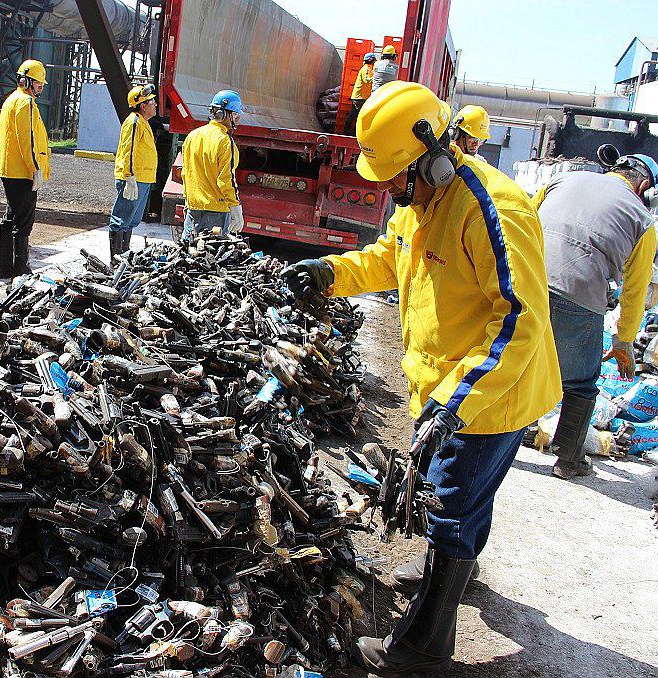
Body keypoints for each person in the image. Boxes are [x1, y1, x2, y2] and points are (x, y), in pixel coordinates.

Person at [282, 81, 560, 676]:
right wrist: (329, 272)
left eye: (394, 177)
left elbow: (521, 320)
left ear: (431, 157)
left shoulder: (493, 209)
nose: (386, 189)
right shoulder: (422, 201)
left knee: (451, 500)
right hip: (450, 386)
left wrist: (455, 401)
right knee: (463, 497)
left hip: (490, 394)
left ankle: (425, 647)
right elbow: (388, 257)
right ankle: (450, 570)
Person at [533, 154, 658, 479]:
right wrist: (623, 341)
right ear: (645, 186)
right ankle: (569, 459)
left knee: (517, 362)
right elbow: (635, 290)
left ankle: (485, 433)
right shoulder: (643, 220)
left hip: (526, 282)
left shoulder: (562, 181)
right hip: (578, 296)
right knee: (581, 384)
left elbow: (523, 220)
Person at [0, 59, 51, 280]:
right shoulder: (25, 102)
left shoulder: (12, 100)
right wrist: (35, 168)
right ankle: (21, 268)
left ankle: (4, 267)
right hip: (22, 172)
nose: (40, 87)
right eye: (38, 83)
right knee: (23, 222)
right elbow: (26, 139)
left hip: (10, 170)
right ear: (26, 81)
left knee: (10, 218)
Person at [180, 90, 244, 240]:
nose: (238, 120)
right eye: (235, 115)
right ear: (223, 115)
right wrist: (235, 207)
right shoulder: (225, 141)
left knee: (187, 257)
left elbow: (186, 174)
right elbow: (226, 179)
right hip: (216, 212)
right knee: (212, 259)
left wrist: (187, 203)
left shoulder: (192, 136)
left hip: (193, 209)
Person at [109, 84, 158, 258]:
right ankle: (116, 260)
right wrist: (129, 177)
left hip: (142, 179)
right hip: (133, 179)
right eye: (151, 101)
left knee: (130, 220)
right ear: (143, 105)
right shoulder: (135, 122)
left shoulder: (142, 123)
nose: (155, 104)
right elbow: (128, 150)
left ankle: (123, 255)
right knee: (121, 219)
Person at [346, 53, 376, 135]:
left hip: (361, 97)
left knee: (354, 115)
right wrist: (377, 78)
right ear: (371, 60)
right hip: (359, 97)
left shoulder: (369, 68)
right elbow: (366, 80)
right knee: (359, 116)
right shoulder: (366, 68)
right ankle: (351, 133)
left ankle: (349, 131)